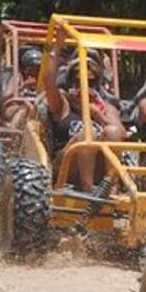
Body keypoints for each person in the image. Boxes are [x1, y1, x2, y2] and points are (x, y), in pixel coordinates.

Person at [41, 31, 126, 191]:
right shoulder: (63, 103)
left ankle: (111, 187)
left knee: (112, 131)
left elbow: (121, 135)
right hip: (66, 167)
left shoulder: (106, 106)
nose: (84, 86)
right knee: (88, 134)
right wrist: (56, 48)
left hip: (100, 171)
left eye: (90, 82)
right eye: (78, 81)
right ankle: (88, 189)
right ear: (70, 81)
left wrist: (98, 115)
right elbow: (48, 82)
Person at [2, 46, 42, 132]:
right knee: (24, 110)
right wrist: (23, 86)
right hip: (15, 107)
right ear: (26, 68)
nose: (35, 71)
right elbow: (6, 96)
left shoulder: (43, 80)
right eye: (33, 68)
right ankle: (14, 138)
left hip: (36, 109)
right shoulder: (18, 77)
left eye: (38, 68)